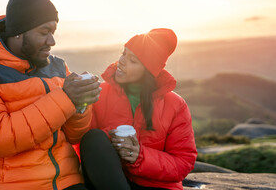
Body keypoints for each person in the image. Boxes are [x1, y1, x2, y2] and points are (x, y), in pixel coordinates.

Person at [0, 0, 100, 190]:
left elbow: (74, 136)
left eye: (53, 32)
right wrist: (66, 99)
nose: (52, 41)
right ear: (19, 33)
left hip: (67, 183)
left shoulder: (57, 67)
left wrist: (81, 103)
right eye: (44, 32)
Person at [80, 29, 197, 190]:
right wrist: (80, 105)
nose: (121, 61)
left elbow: (183, 162)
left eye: (133, 60)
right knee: (94, 137)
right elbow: (83, 143)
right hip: (112, 181)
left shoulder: (175, 105)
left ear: (149, 71)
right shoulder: (99, 93)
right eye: (123, 53)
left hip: (157, 185)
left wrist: (139, 156)